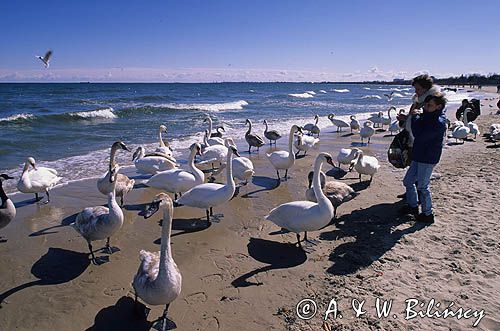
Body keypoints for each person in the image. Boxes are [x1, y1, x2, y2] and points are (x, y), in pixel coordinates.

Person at [399, 93, 447, 223]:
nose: (425, 107)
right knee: (408, 181)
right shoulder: (427, 116)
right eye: (425, 104)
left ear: (438, 107)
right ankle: (413, 206)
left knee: (422, 186)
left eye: (429, 105)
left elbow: (419, 134)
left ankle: (428, 214)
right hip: (419, 154)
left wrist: (414, 117)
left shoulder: (438, 122)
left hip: (428, 157)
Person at [396, 74, 440, 199]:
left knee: (421, 173)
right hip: (414, 139)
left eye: (418, 89)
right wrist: (405, 119)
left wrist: (410, 119)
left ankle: (417, 200)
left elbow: (427, 123)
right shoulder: (418, 101)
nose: (416, 91)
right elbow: (414, 119)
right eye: (415, 89)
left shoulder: (430, 103)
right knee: (412, 167)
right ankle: (411, 194)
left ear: (426, 89)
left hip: (423, 143)